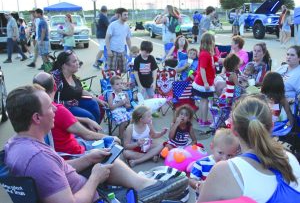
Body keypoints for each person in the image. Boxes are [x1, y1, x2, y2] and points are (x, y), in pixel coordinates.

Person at [4, 85, 188, 203]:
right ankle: (147, 189)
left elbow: (56, 169)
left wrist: (87, 159)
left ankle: (146, 186)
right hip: (94, 196)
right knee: (105, 165)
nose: (55, 109)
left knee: (103, 158)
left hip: (81, 183)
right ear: (37, 118)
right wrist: (95, 178)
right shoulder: (38, 159)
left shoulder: (15, 145)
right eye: (49, 107)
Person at [197, 95, 300, 202]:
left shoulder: (224, 171)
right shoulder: (289, 158)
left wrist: (203, 189)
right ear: (272, 126)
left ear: (233, 130)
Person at [32, 72, 120, 155]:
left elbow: (62, 120)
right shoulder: (57, 109)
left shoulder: (35, 107)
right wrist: (111, 138)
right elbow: (87, 135)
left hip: (59, 149)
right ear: (55, 86)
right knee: (115, 145)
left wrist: (85, 119)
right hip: (73, 153)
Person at [52, 50, 107, 123]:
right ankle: (89, 132)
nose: (78, 63)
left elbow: (81, 91)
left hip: (75, 102)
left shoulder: (72, 75)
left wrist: (99, 100)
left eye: (77, 60)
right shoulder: (56, 78)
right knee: (88, 116)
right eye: (74, 61)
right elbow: (49, 100)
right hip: (63, 107)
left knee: (93, 104)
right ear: (64, 65)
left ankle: (95, 130)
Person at [189, 128, 240, 199]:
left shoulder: (233, 165)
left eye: (230, 155)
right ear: (212, 147)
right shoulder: (201, 163)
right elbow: (191, 180)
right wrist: (198, 184)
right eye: (220, 153)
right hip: (204, 199)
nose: (224, 158)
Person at [192, 32, 218, 126]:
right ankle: (203, 120)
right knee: (205, 101)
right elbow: (202, 69)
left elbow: (214, 59)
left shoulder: (207, 53)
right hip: (204, 83)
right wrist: (206, 82)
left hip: (205, 82)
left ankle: (202, 120)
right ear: (210, 42)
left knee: (204, 101)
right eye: (213, 41)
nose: (214, 43)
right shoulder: (205, 54)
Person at [105, 7, 131, 73]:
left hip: (122, 51)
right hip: (113, 52)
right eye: (125, 15)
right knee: (112, 72)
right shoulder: (113, 25)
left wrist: (131, 50)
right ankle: (113, 83)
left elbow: (128, 39)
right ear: (120, 15)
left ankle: (119, 83)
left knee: (123, 71)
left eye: (127, 15)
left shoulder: (127, 26)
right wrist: (108, 50)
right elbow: (107, 38)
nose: (126, 16)